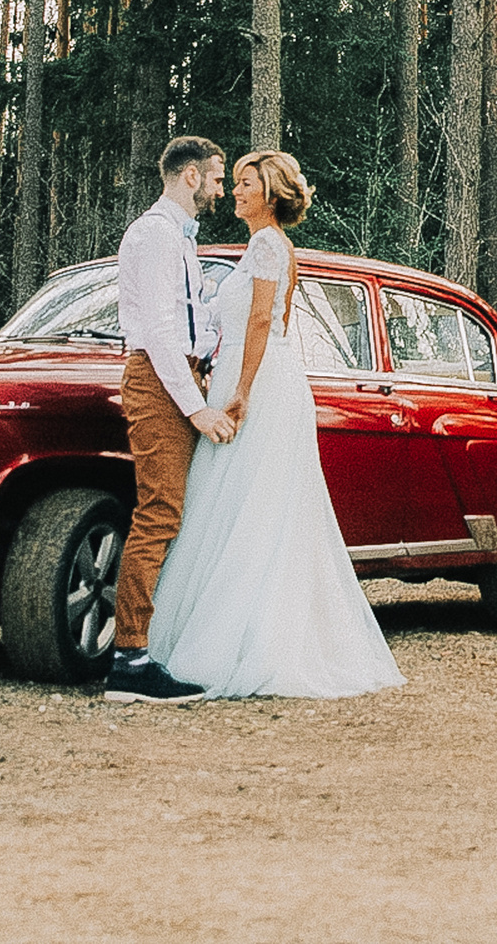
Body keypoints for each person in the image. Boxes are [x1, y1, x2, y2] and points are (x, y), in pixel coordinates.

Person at [144, 150, 406, 700]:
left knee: (254, 508)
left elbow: (264, 319)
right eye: (233, 183)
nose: (235, 192)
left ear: (271, 192)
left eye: (246, 184)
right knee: (235, 505)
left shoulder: (267, 244)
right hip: (245, 373)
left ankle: (253, 642)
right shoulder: (258, 246)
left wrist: (240, 391)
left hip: (259, 384)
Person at [103, 135, 235, 705]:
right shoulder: (156, 236)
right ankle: (129, 659)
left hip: (180, 375)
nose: (222, 188)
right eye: (217, 177)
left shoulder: (179, 239)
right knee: (158, 513)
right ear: (190, 176)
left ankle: (151, 643)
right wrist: (196, 405)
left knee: (173, 512)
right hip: (159, 381)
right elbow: (158, 332)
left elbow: (188, 321)